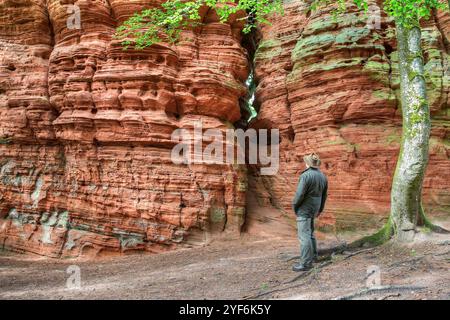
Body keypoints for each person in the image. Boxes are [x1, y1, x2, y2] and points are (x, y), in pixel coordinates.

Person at [292, 153, 328, 272]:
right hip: (315, 208)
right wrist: (320, 209)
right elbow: (324, 196)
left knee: (304, 236)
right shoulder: (323, 176)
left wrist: (295, 206)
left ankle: (306, 263)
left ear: (307, 163)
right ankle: (313, 257)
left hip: (305, 208)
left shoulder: (306, 176)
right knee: (311, 233)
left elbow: (299, 194)